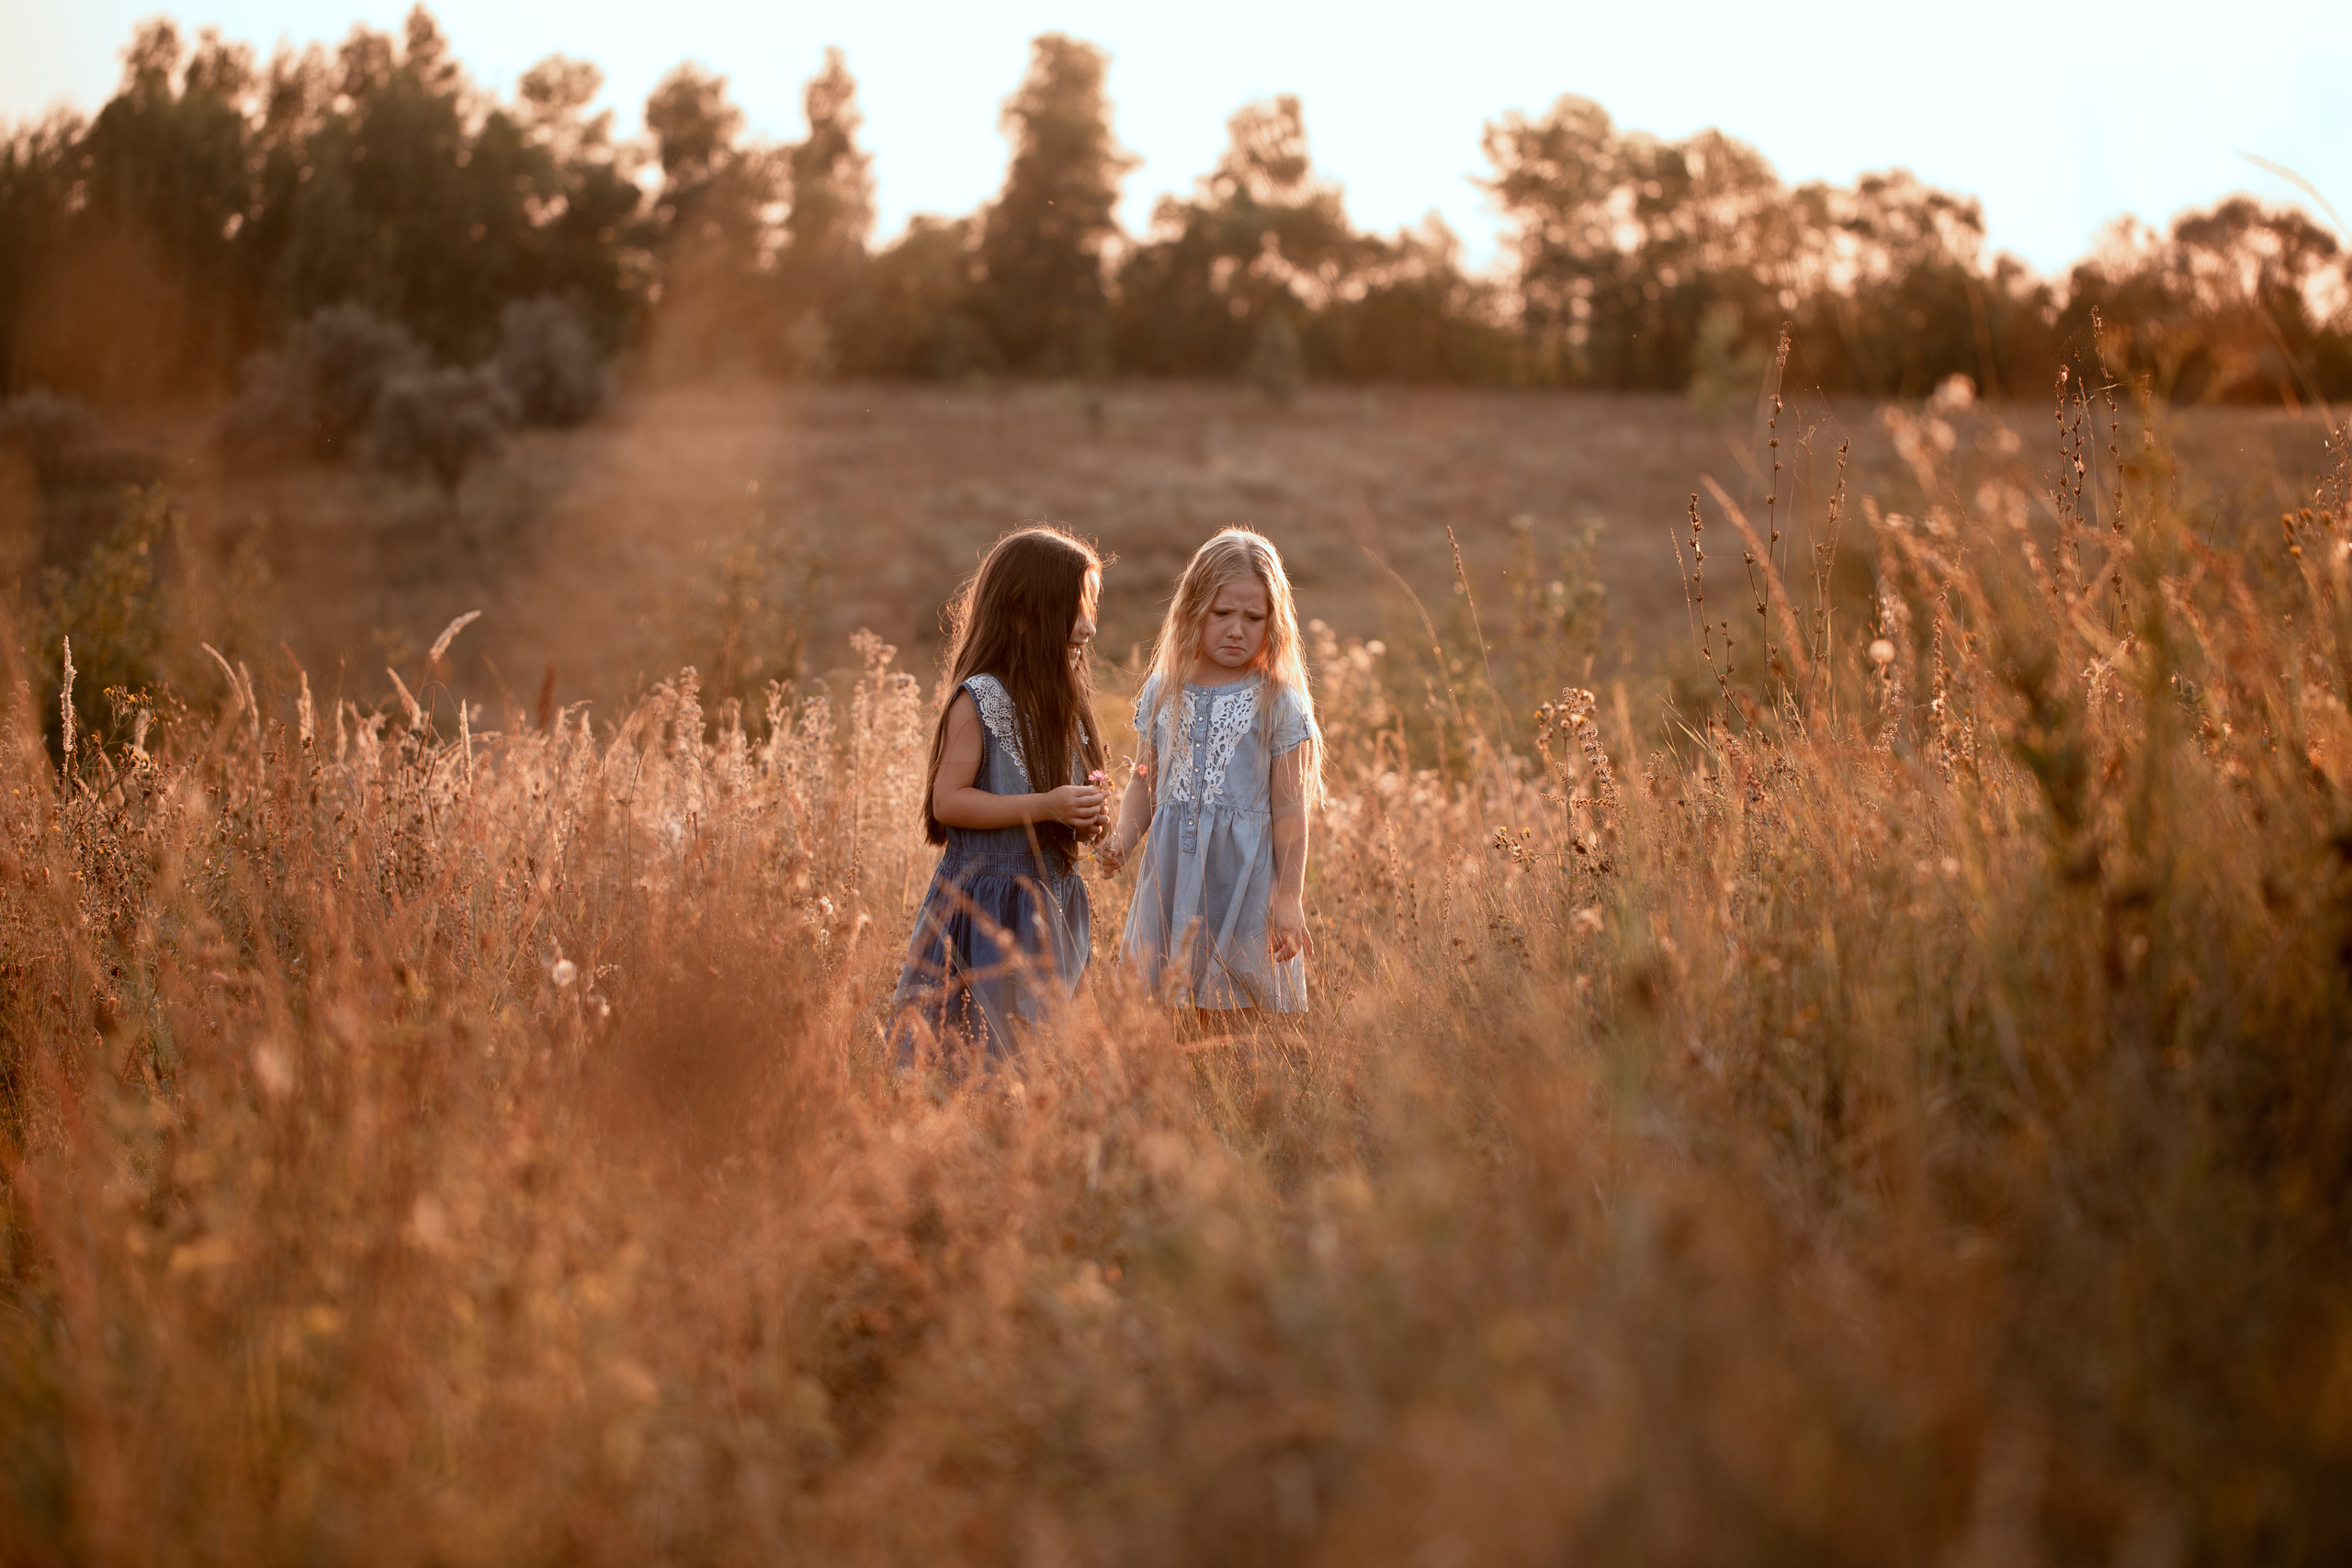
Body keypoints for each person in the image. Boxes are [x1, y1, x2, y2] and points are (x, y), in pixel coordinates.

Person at [889, 527, 1109, 1066]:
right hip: (986, 907)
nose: (1088, 624)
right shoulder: (981, 698)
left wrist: (1086, 817)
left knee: (1040, 1056)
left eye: (1089, 606)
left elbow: (1066, 801)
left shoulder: (1066, 705)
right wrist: (1046, 806)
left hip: (1046, 904)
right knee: (974, 1053)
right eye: (1074, 606)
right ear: (1022, 613)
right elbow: (949, 801)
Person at [1098, 528, 1322, 1019]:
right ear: (1194, 609)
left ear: (1274, 622)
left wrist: (1289, 897)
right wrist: (1122, 839)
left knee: (1238, 1008)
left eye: (1253, 617)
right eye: (1222, 614)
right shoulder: (1165, 688)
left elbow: (1288, 809)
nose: (1237, 629)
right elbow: (1144, 778)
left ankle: (1238, 1092)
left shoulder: (1277, 698)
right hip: (1173, 873)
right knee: (1163, 1008)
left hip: (1241, 877)